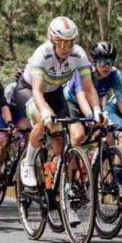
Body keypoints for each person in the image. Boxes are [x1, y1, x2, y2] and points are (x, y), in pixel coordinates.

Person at [20, 17, 101, 189]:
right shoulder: (42, 54)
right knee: (44, 120)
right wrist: (45, 111)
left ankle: (61, 182)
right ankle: (28, 163)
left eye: (70, 43)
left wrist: (96, 110)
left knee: (59, 137)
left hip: (54, 92)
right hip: (29, 90)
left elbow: (89, 88)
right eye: (61, 43)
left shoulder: (78, 54)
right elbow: (37, 91)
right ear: (52, 40)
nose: (66, 48)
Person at [69, 41, 122, 148]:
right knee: (78, 136)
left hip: (94, 104)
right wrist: (90, 115)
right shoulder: (84, 71)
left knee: (108, 138)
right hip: (74, 103)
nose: (106, 67)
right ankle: (72, 162)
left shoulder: (115, 74)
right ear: (94, 62)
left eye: (110, 62)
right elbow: (81, 96)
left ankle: (99, 162)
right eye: (102, 62)